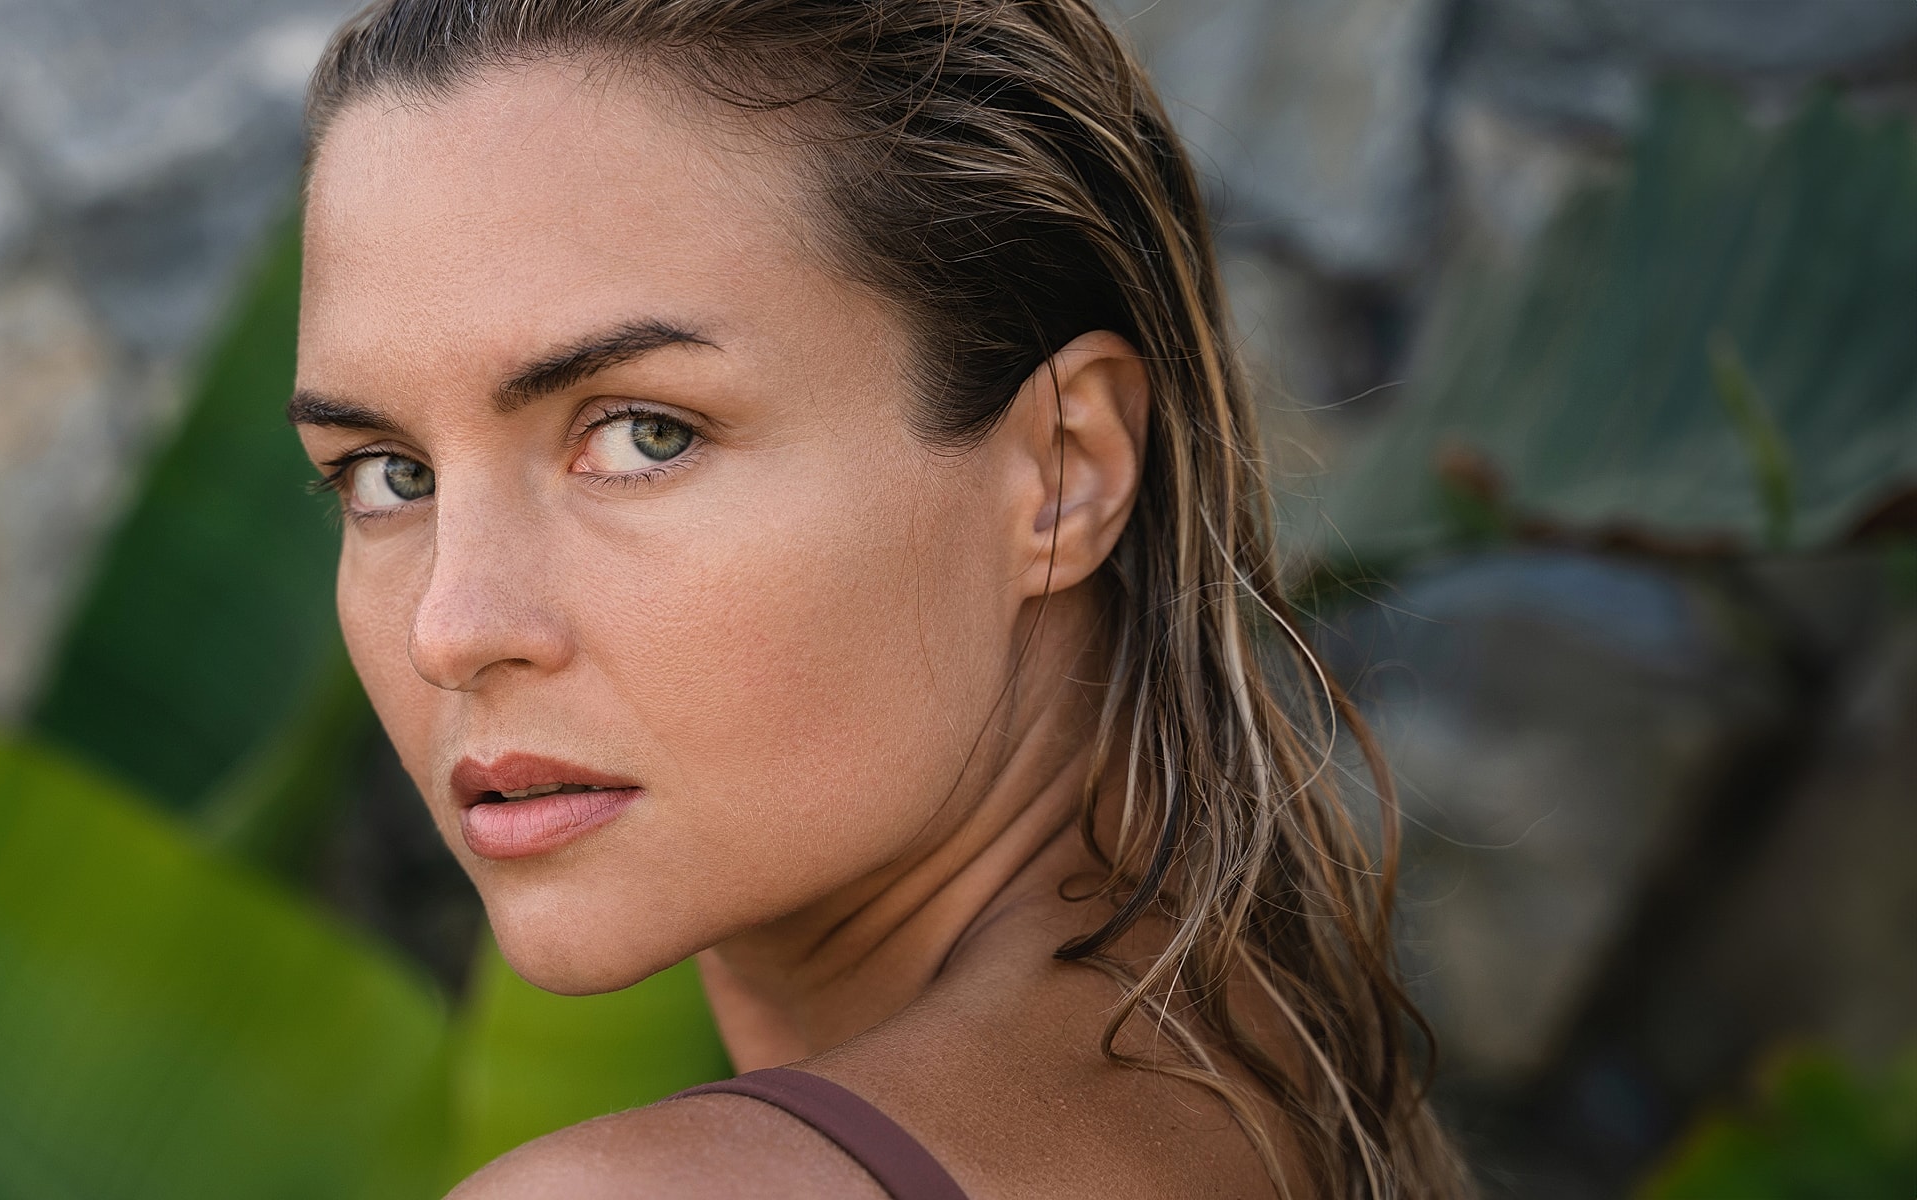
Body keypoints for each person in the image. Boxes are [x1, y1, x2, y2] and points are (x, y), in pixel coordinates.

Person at [290, 1, 1470, 1195]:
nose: (452, 629)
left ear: (1063, 469)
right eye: (389, 475)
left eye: (645, 435)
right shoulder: (1270, 1081)